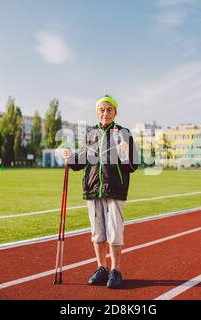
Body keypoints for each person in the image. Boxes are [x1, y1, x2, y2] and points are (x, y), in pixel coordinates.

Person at [62, 95, 138, 289]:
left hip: (115, 189)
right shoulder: (90, 134)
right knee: (98, 233)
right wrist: (70, 157)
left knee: (114, 233)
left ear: (115, 113)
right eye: (102, 110)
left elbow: (133, 165)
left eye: (109, 110)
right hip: (92, 189)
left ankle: (115, 270)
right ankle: (101, 268)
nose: (105, 113)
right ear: (98, 112)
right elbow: (80, 163)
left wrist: (123, 153)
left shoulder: (124, 133)